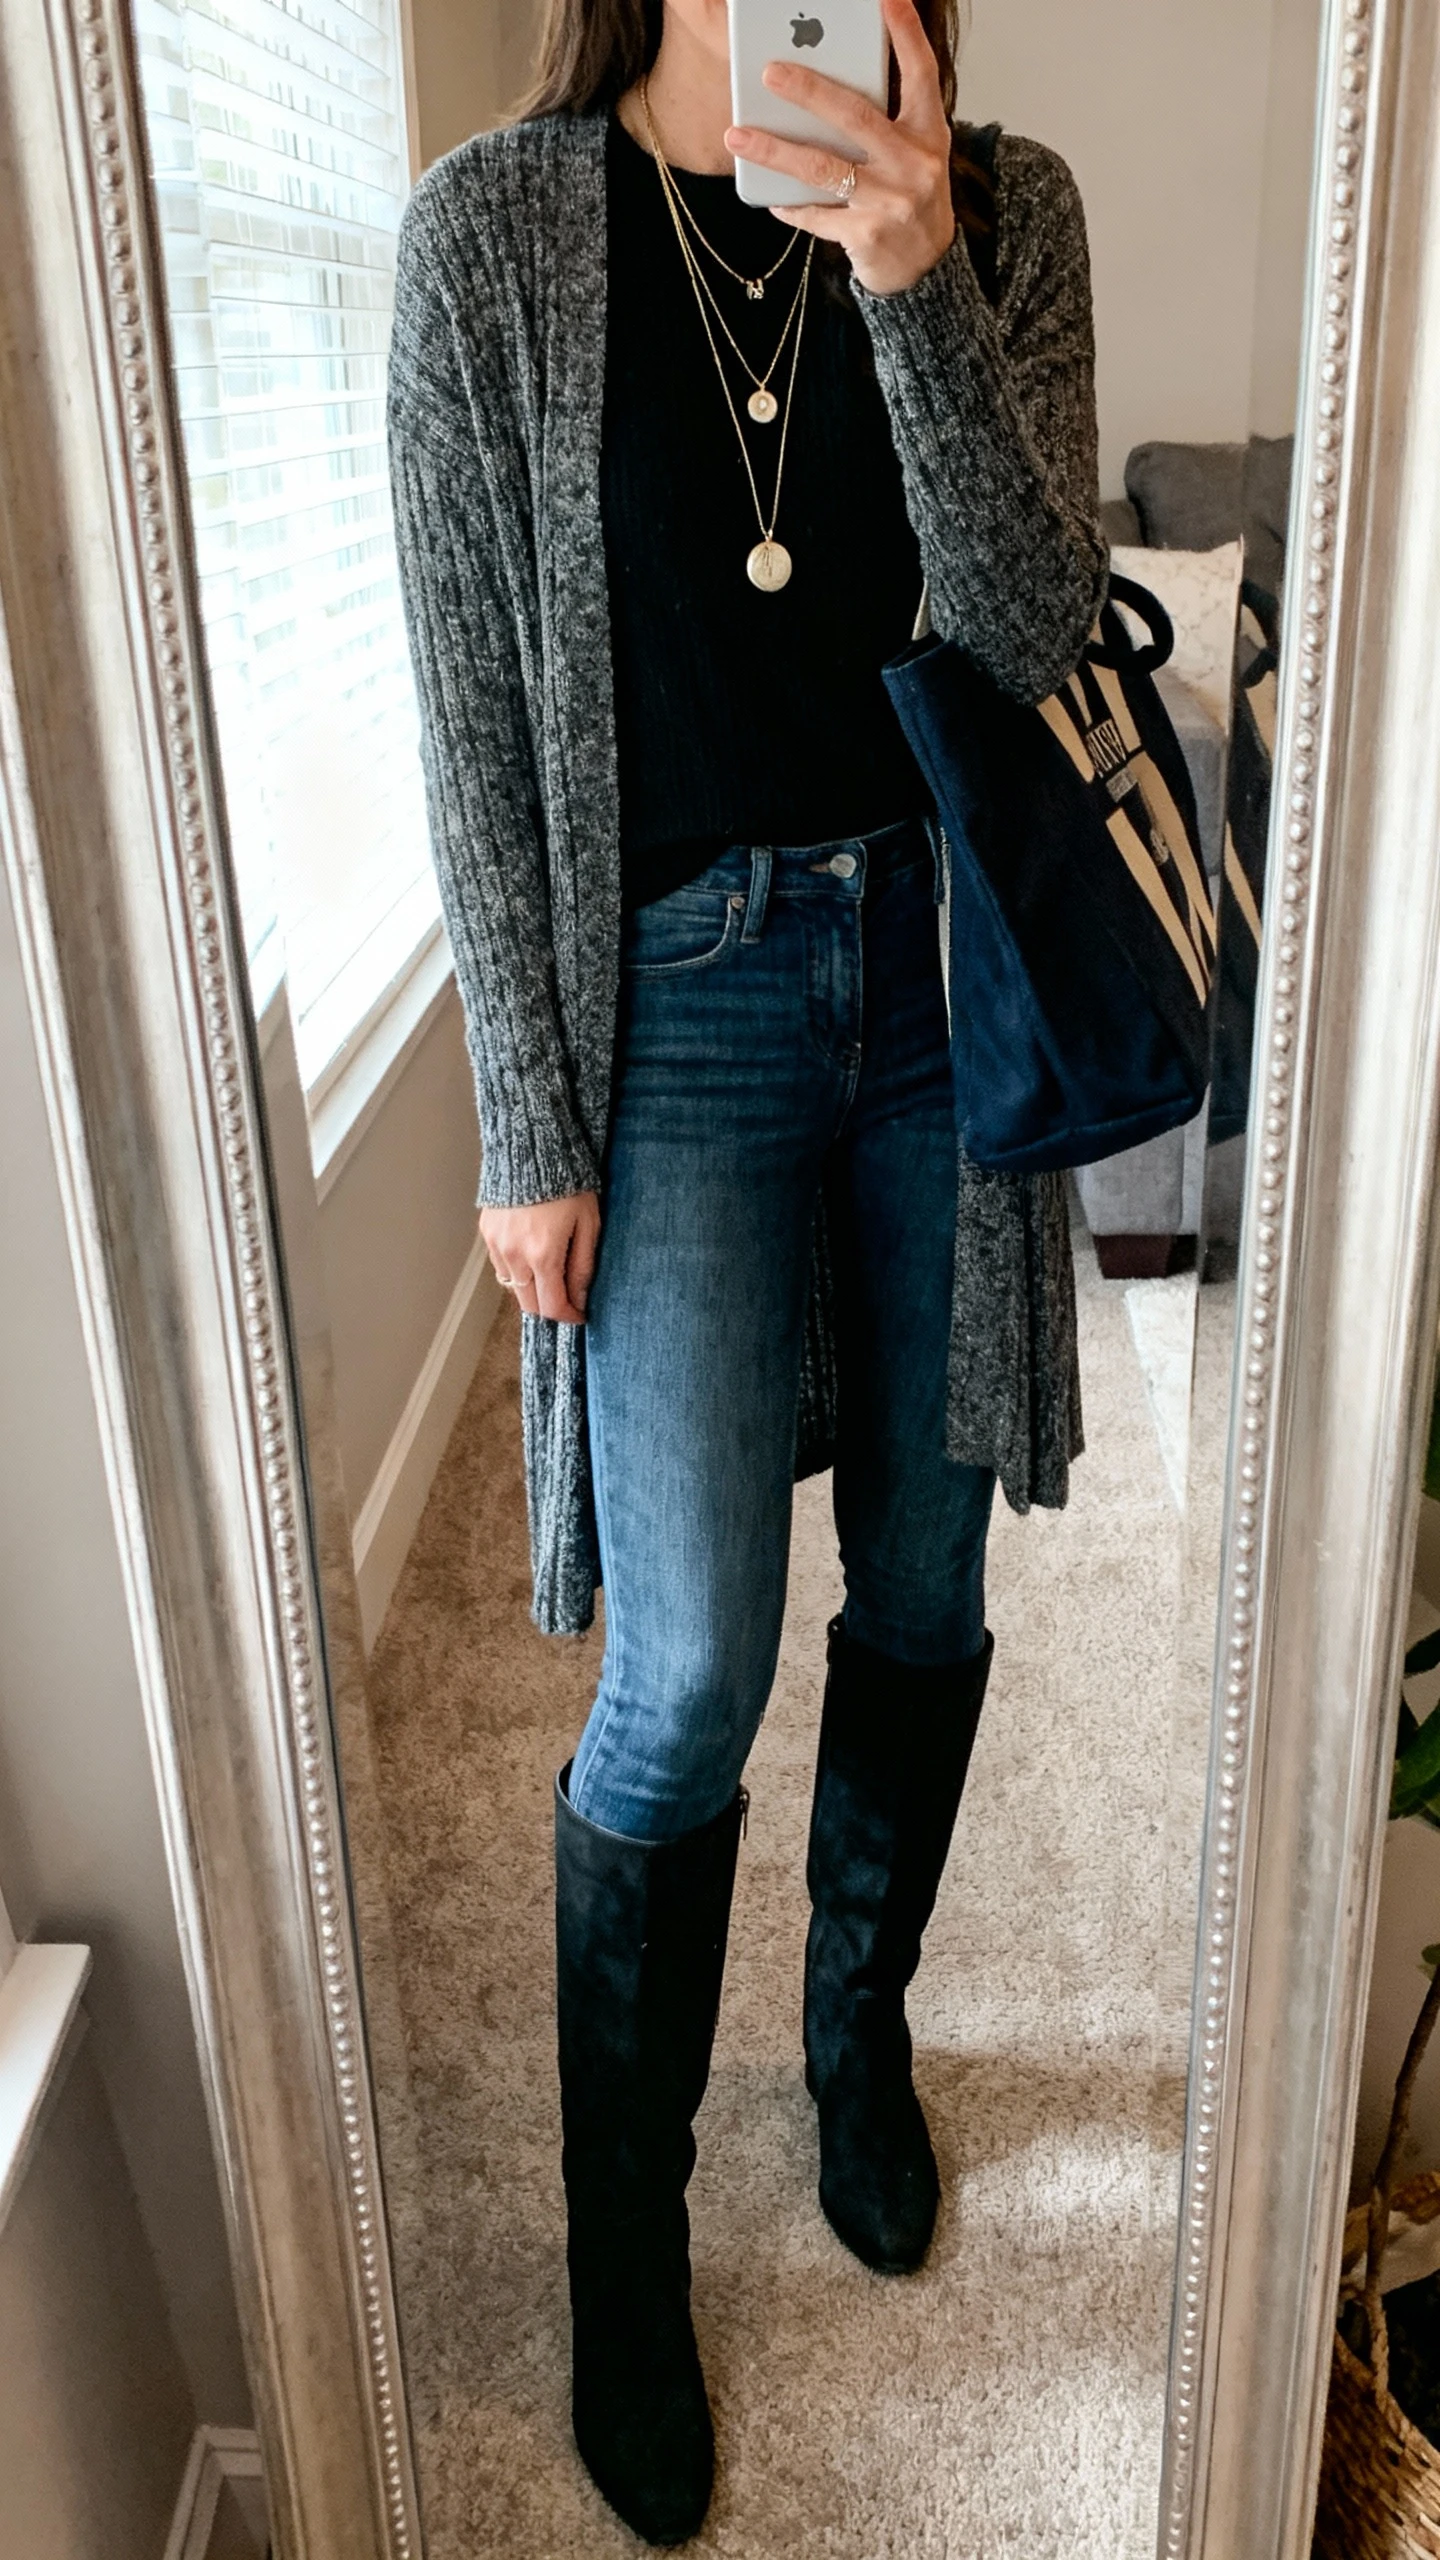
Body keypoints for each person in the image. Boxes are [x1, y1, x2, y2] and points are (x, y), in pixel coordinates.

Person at [388, 0, 1103, 2537]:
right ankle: (623, 2244)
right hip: (667, 1012)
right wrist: (520, 1109)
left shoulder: (1002, 208)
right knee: (681, 1663)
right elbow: (473, 710)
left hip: (937, 993)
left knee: (922, 1563)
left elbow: (1033, 638)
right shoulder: (494, 235)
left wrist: (910, 271)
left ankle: (856, 2029)